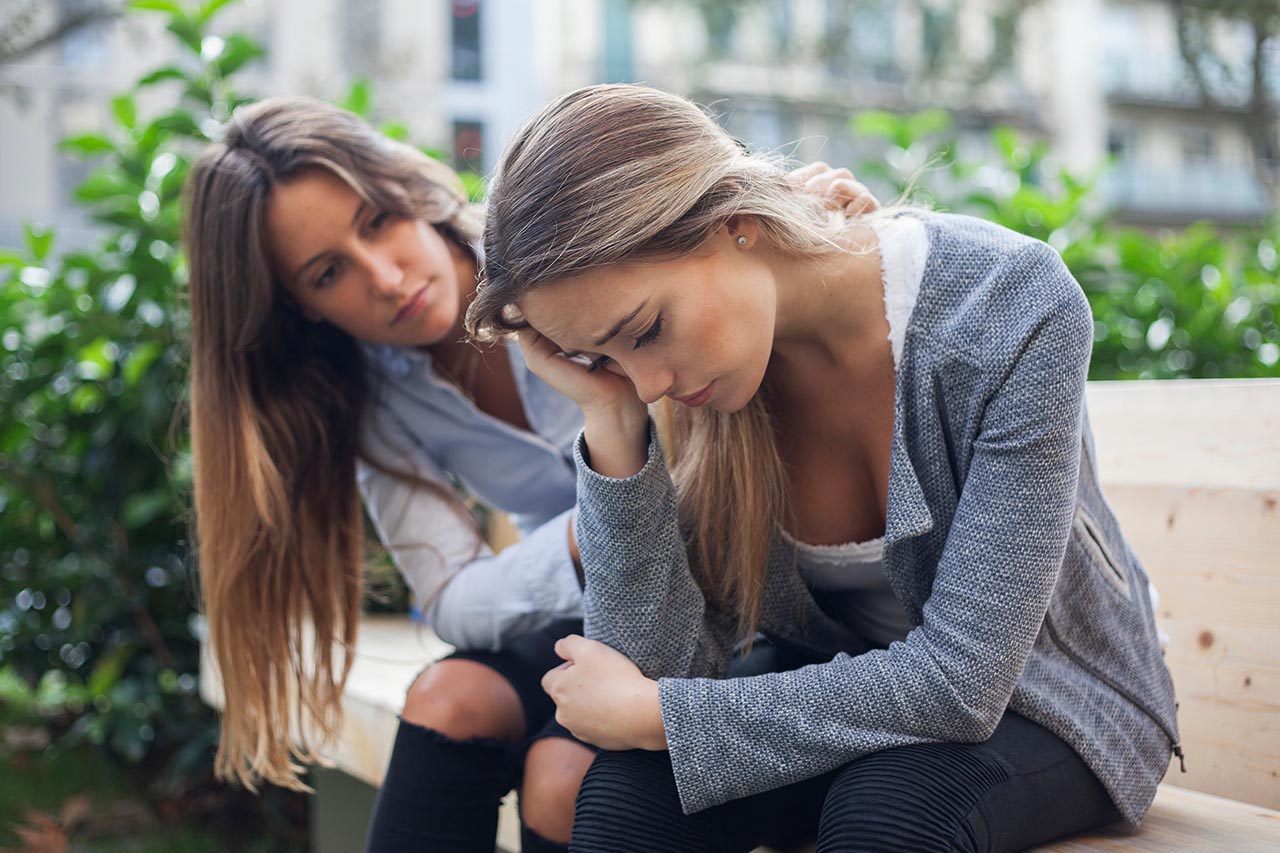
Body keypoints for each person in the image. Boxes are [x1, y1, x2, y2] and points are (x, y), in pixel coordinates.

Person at [466, 84, 1182, 853]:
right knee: (627, 790)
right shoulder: (691, 387)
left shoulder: (1006, 303)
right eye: (600, 356)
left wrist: (662, 715)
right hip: (839, 692)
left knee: (890, 810)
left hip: (1048, 702)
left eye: (643, 331)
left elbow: (964, 682)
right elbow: (653, 670)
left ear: (734, 219)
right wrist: (611, 425)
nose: (646, 383)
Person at [182, 95, 874, 852]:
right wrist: (592, 533)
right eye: (327, 273)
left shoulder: (563, 259)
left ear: (404, 188)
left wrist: (802, 228)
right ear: (301, 309)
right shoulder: (376, 399)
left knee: (562, 779)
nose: (383, 275)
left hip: (727, 601)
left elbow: (726, 260)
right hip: (598, 601)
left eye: (376, 220)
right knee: (451, 695)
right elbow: (450, 596)